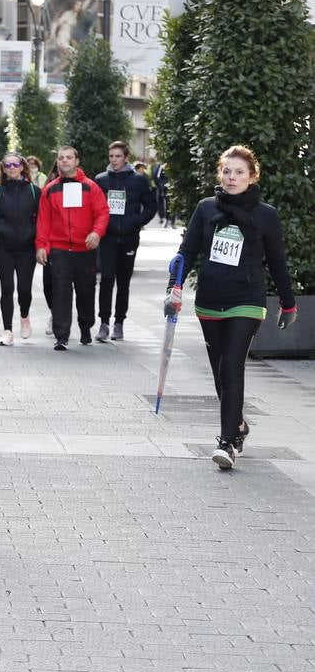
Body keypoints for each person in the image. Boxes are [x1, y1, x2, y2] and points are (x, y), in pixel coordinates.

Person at [168, 145, 297, 469]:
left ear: (252, 176)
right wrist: (175, 287)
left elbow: (278, 263)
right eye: (227, 171)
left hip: (247, 300)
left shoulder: (266, 215)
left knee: (232, 366)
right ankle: (238, 424)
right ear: (219, 174)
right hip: (210, 299)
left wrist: (288, 303)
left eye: (239, 172)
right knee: (219, 372)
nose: (231, 177)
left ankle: (228, 441)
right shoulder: (205, 208)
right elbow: (187, 252)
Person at [36, 145, 108, 350]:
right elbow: (43, 221)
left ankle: (86, 327)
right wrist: (41, 246)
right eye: (61, 158)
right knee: (60, 292)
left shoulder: (91, 187)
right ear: (57, 162)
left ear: (77, 161)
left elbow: (102, 212)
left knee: (86, 292)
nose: (65, 161)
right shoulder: (49, 189)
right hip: (59, 250)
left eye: (69, 157)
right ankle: (61, 335)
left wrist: (96, 232)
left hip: (84, 250)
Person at [94, 140, 157, 343]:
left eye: (118, 156)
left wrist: (134, 222)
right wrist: (103, 226)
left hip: (129, 237)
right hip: (108, 237)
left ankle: (119, 322)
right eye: (111, 156)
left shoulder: (139, 180)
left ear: (126, 157)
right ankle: (103, 322)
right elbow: (94, 208)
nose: (114, 160)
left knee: (123, 282)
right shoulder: (101, 180)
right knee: (106, 279)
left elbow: (150, 207)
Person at [0, 154, 39, 345]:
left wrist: (35, 236)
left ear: (23, 167)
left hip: (27, 248)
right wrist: (1, 227)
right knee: (7, 288)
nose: (12, 167)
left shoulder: (34, 191)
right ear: (3, 169)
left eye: (16, 164)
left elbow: (43, 218)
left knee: (24, 288)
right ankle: (7, 331)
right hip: (3, 248)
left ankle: (24, 316)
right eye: (8, 165)